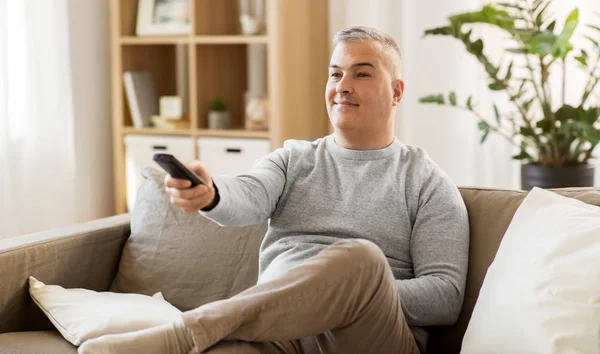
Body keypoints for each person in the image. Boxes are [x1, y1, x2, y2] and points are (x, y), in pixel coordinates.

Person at [80, 25, 469, 354]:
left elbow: (445, 296)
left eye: (362, 74)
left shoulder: (427, 182)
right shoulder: (293, 159)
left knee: (362, 260)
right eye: (335, 74)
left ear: (397, 92)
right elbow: (247, 195)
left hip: (365, 336)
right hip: (282, 334)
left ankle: (184, 332)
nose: (343, 86)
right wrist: (212, 193)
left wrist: (349, 291)